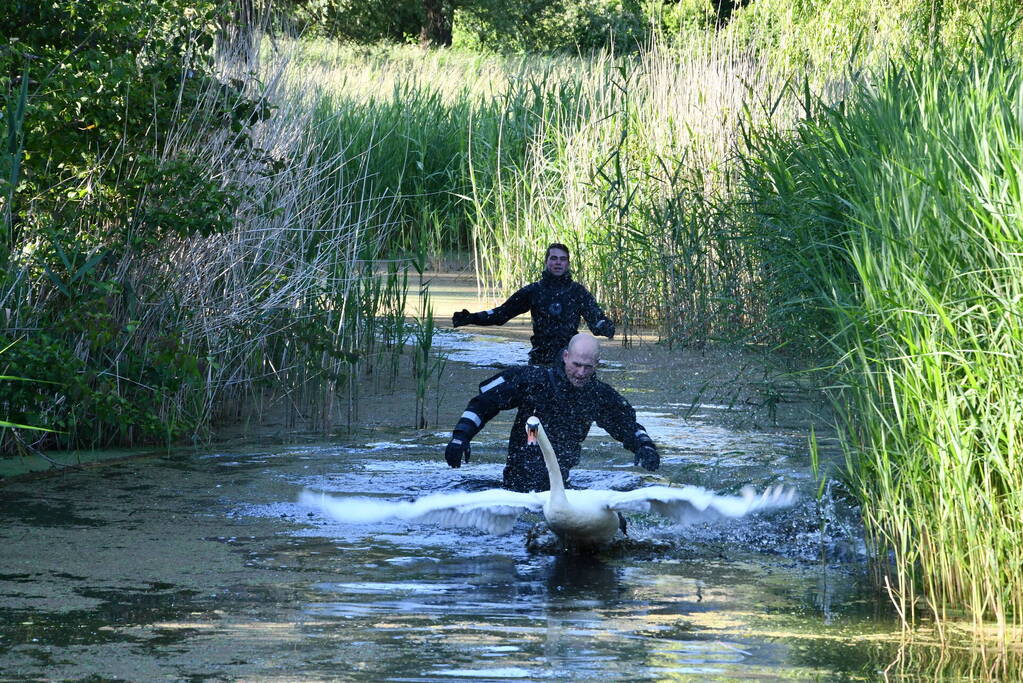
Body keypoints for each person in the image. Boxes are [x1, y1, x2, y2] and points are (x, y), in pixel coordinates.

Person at [443, 333, 660, 492]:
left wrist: (645, 446)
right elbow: (483, 404)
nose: (581, 373)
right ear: (566, 356)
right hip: (517, 484)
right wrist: (460, 437)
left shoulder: (598, 395)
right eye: (576, 364)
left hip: (560, 486)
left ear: (597, 364)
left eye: (588, 367)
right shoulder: (533, 380)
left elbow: (626, 425)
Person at [452, 243, 615, 365]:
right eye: (554, 258)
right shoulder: (534, 291)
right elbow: (502, 314)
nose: (558, 263)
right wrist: (472, 318)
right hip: (540, 355)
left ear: (568, 264)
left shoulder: (577, 292)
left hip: (568, 355)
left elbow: (596, 320)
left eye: (562, 259)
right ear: (546, 262)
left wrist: (606, 327)